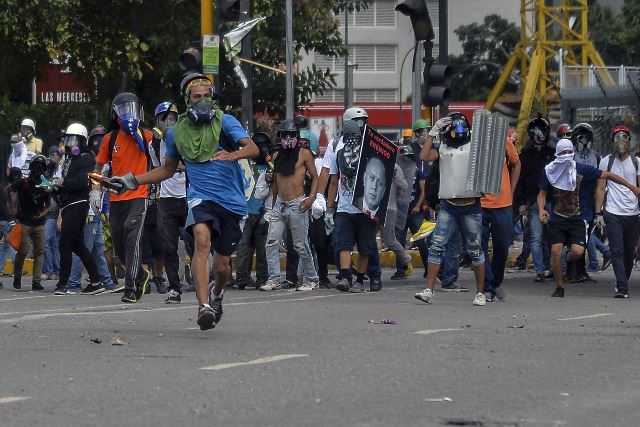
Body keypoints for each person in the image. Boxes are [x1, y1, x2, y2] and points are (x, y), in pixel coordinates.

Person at [110, 73, 258, 330]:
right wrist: (131, 180)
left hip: (231, 201)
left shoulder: (225, 122)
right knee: (201, 239)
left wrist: (234, 155)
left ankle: (217, 293)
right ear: (188, 100)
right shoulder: (175, 133)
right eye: (197, 97)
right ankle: (203, 307)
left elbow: (253, 148)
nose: (202, 101)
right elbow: (166, 170)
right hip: (200, 197)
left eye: (206, 96)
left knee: (223, 267)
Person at [538, 139, 640, 298]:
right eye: (562, 153)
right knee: (555, 251)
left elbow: (607, 175)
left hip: (579, 218)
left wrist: (632, 187)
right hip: (558, 218)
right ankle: (559, 287)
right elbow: (542, 193)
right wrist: (541, 209)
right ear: (557, 154)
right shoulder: (549, 171)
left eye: (568, 152)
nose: (565, 156)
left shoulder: (582, 170)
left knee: (577, 252)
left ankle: (567, 257)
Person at [414, 112, 487, 306]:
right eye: (456, 128)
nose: (459, 131)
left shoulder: (475, 148)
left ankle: (480, 293)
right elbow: (423, 155)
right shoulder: (443, 148)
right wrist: (432, 133)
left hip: (471, 205)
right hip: (449, 205)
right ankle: (429, 290)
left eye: (462, 128)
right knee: (437, 246)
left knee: (475, 249)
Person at [95, 92, 153, 303]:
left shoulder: (147, 136)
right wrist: (96, 190)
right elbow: (99, 168)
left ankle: (131, 288)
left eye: (132, 108)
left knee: (132, 240)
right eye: (123, 110)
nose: (128, 114)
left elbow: (160, 162)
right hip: (116, 198)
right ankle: (141, 275)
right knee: (119, 246)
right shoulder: (109, 140)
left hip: (139, 195)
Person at [260, 120, 319, 291]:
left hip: (297, 204)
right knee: (271, 242)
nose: (288, 138)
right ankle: (274, 279)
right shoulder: (278, 156)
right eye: (284, 134)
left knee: (300, 245)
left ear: (296, 136)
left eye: (291, 135)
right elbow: (277, 182)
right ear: (279, 137)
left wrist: (311, 198)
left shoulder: (304, 154)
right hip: (279, 205)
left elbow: (315, 177)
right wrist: (272, 205)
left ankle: (312, 279)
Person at [328, 121, 378, 293]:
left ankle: (359, 280)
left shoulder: (368, 154)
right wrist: (329, 209)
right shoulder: (338, 155)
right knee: (344, 245)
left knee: (365, 246)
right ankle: (345, 278)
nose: (351, 139)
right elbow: (333, 182)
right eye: (348, 136)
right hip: (344, 208)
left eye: (354, 136)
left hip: (365, 208)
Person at [148, 102, 187, 302]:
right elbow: (158, 169)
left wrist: (177, 165)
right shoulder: (153, 144)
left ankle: (203, 281)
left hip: (188, 196)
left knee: (197, 242)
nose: (168, 122)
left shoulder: (186, 139)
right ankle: (174, 288)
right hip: (166, 199)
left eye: (172, 118)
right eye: (164, 119)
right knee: (168, 246)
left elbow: (189, 166)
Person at [595, 126, 640, 298]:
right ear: (612, 141)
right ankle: (622, 286)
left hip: (633, 213)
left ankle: (623, 280)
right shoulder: (606, 161)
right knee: (617, 250)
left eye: (624, 137)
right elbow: (601, 188)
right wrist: (598, 212)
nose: (621, 140)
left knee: (629, 251)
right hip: (612, 212)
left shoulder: (637, 162)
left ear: (629, 140)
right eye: (617, 137)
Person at [481, 128, 520, 302]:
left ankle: (496, 282)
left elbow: (516, 163)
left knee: (502, 247)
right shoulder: (473, 144)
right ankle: (487, 286)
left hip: (503, 203)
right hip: (479, 204)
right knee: (478, 247)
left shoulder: (503, 142)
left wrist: (511, 190)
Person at [514, 115, 555, 282]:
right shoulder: (526, 155)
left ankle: (554, 268)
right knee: (536, 238)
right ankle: (540, 271)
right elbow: (521, 180)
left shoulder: (553, 154)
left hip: (552, 201)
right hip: (532, 202)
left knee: (553, 238)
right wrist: (522, 202)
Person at [4, 156, 51, 290]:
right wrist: (12, 208)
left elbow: (49, 204)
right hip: (25, 222)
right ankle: (17, 276)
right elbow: (7, 190)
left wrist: (42, 214)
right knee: (23, 251)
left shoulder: (45, 183)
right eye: (37, 165)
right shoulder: (23, 182)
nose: (39, 169)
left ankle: (36, 281)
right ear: (31, 167)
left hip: (40, 223)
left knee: (40, 251)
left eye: (42, 166)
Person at [234, 132, 270, 290]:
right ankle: (242, 277)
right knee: (244, 246)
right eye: (259, 146)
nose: (262, 149)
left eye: (264, 146)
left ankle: (262, 277)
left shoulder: (271, 166)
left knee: (263, 248)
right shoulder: (244, 165)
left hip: (264, 211)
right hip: (246, 210)